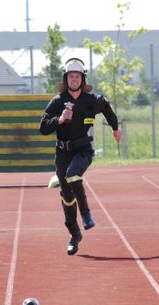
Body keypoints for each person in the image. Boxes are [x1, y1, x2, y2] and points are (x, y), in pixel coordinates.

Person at [39, 58, 122, 256]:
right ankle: (74, 234)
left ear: (82, 79)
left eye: (77, 76)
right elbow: (42, 128)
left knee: (73, 174)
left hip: (83, 150)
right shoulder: (57, 101)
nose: (74, 79)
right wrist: (59, 120)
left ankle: (86, 216)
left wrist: (116, 128)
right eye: (70, 76)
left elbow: (108, 109)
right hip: (62, 153)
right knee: (67, 197)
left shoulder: (92, 100)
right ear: (66, 79)